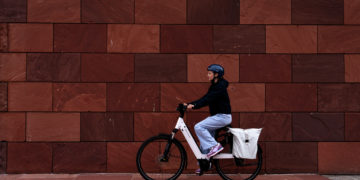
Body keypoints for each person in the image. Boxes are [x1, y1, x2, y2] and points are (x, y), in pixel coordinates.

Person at [183, 64, 232, 174]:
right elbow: (205, 98)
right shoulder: (214, 86)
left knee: (198, 127)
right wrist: (190, 104)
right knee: (204, 139)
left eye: (209, 73)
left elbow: (207, 100)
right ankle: (205, 163)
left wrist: (193, 106)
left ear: (216, 75)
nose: (207, 75)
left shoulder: (219, 87)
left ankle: (215, 146)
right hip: (217, 116)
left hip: (223, 117)